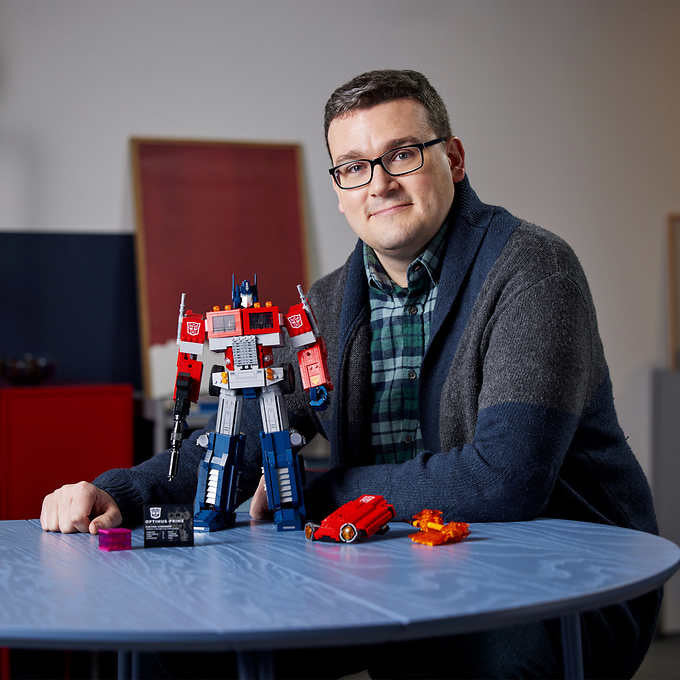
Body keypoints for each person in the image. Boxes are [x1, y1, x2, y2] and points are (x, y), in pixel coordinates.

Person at [41, 69, 660, 679]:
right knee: (179, 646)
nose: (380, 183)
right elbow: (244, 438)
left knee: (487, 664)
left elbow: (506, 479)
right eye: (354, 166)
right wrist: (122, 494)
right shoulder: (326, 305)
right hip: (387, 564)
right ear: (339, 190)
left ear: (454, 159)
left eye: (403, 154)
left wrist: (316, 492)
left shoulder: (532, 271)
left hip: (554, 579)